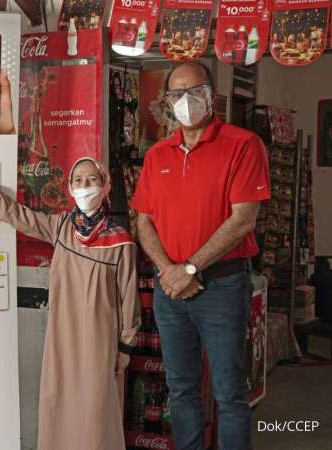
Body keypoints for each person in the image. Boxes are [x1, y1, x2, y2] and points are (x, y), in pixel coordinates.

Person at [130, 62, 270, 450]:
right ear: (167, 101)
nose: (186, 101)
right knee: (180, 389)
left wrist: (190, 268)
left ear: (212, 95)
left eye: (195, 92)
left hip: (222, 286)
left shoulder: (243, 145)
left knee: (229, 392)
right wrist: (169, 271)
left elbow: (243, 220)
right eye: (177, 94)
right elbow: (143, 221)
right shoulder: (157, 155)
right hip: (170, 290)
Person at [0, 156, 140, 450]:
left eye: (92, 179)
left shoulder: (121, 242)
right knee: (58, 405)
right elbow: (19, 216)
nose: (85, 186)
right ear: (69, 188)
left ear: (105, 185)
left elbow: (129, 297)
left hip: (99, 341)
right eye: (78, 180)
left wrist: (125, 348)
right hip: (61, 337)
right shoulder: (60, 228)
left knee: (95, 413)